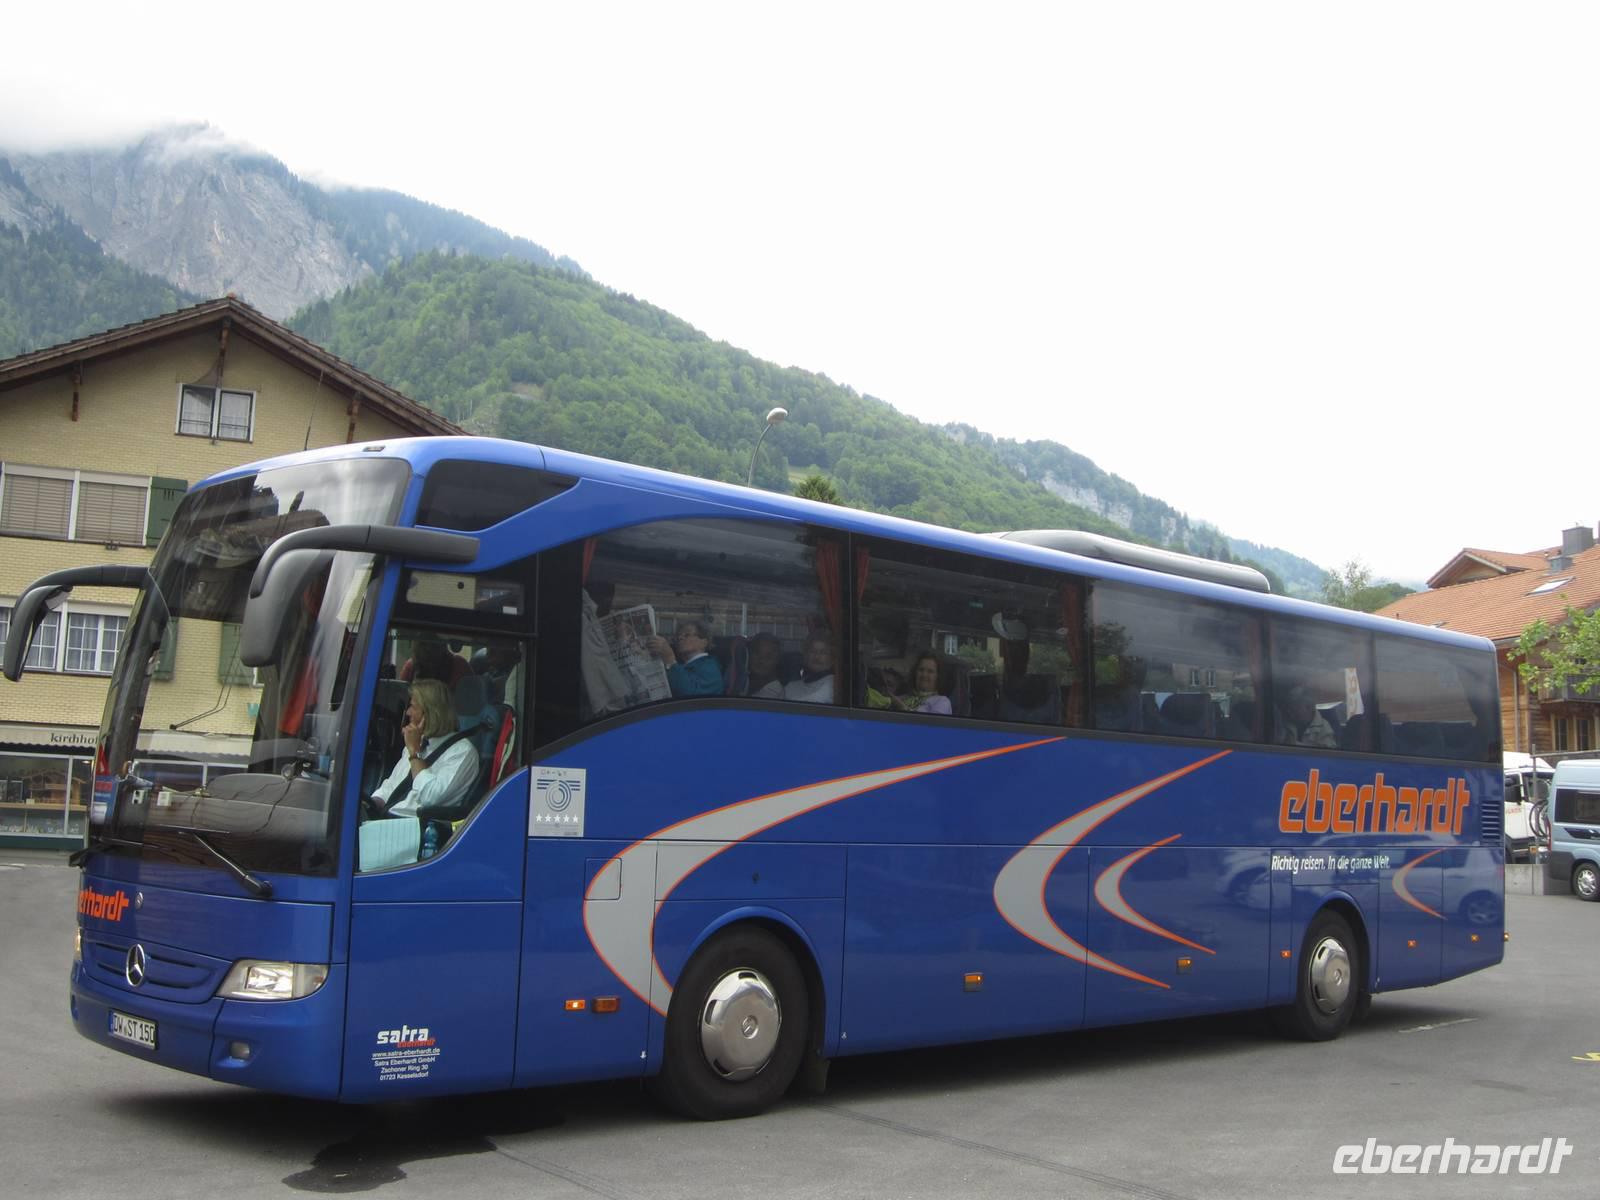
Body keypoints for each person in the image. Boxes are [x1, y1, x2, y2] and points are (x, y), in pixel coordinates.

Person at [367, 678, 481, 819]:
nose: (408, 713)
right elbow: (391, 786)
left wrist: (414, 755)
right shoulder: (418, 741)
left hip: (416, 827)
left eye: (413, 707)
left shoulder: (462, 752)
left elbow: (431, 797)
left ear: (430, 713)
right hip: (386, 818)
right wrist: (370, 805)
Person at [647, 619, 724, 697]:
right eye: (678, 636)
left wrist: (670, 659)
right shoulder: (682, 666)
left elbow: (690, 696)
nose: (680, 638)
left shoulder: (710, 667)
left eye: (687, 635)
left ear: (704, 642)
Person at [1278, 684, 1337, 749]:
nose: (1290, 713)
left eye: (1295, 709)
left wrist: (1294, 744)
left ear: (1309, 707)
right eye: (1289, 709)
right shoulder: (1285, 723)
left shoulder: (1324, 728)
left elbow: (1327, 754)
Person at [785, 632, 838, 704]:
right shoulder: (791, 686)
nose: (817, 657)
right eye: (813, 651)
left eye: (823, 653)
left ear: (832, 658)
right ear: (806, 655)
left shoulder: (834, 683)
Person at [743, 632, 785, 699]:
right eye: (757, 653)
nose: (761, 660)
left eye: (769, 657)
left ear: (777, 661)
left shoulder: (774, 689)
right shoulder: (741, 681)